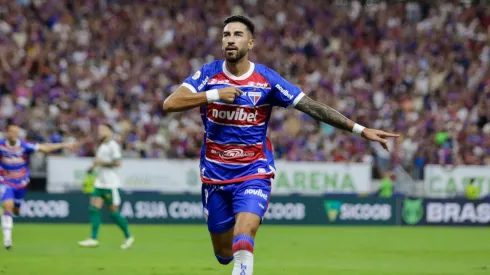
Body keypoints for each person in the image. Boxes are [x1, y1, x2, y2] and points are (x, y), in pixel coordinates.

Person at [162, 15, 399, 275]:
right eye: (226, 34)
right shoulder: (209, 74)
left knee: (244, 235)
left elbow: (311, 106)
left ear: (250, 43)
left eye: (237, 34)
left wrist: (360, 130)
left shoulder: (266, 79)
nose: (230, 39)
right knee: (223, 254)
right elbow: (170, 103)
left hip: (253, 172)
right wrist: (215, 94)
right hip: (215, 176)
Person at [0, 122, 80, 249]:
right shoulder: (1, 146)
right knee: (7, 206)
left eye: (16, 132)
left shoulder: (24, 145)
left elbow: (45, 148)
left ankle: (12, 211)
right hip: (5, 181)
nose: (14, 134)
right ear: (7, 133)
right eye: (11, 132)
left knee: (16, 210)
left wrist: (64, 145)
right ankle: (7, 239)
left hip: (21, 182)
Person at [78, 123, 134, 249]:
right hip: (100, 183)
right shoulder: (102, 146)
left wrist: (101, 162)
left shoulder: (113, 146)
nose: (100, 132)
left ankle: (128, 236)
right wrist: (91, 168)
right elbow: (97, 162)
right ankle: (93, 238)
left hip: (111, 184)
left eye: (103, 129)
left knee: (113, 213)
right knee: (93, 208)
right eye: (99, 130)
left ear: (110, 131)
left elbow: (118, 163)